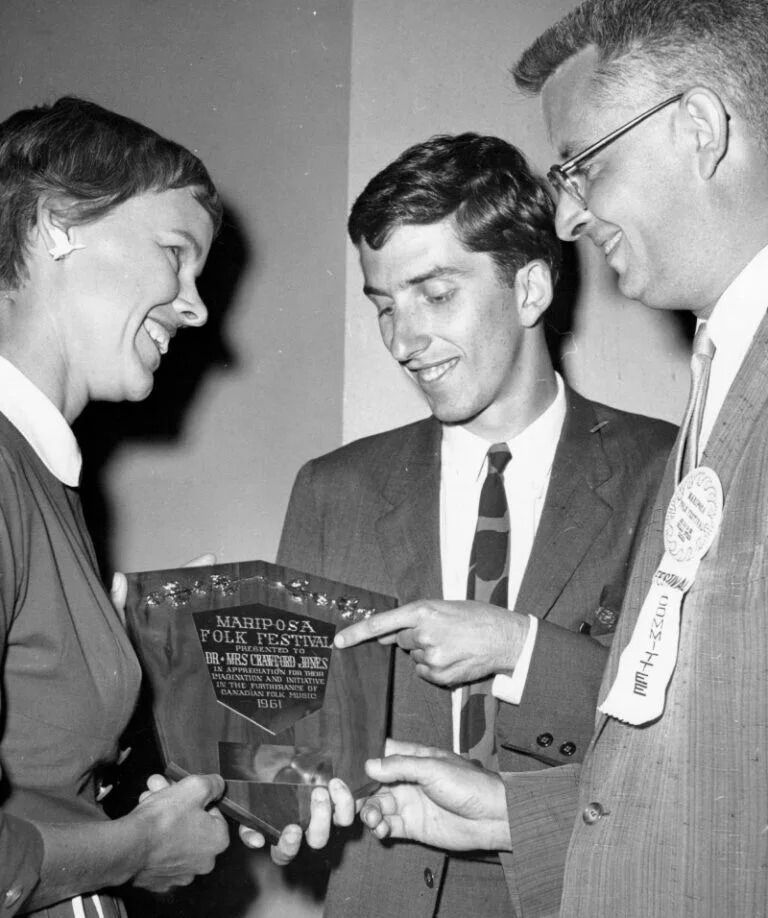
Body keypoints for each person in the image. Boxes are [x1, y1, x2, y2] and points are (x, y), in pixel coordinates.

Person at [356, 2, 768, 916]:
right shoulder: (722, 374)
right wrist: (510, 814)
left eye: (587, 164)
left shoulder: (662, 450)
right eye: (384, 306)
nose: (571, 215)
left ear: (700, 128)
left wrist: (519, 650)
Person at [276, 133, 674, 917]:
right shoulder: (331, 491)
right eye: (384, 306)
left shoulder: (665, 474)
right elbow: (292, 740)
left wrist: (518, 649)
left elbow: (690, 741)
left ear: (530, 290)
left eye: (434, 294)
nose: (402, 341)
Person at [0, 96, 338, 918]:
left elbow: (43, 778)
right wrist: (139, 849)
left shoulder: (42, 473)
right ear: (55, 226)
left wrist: (166, 693)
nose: (196, 306)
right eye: (174, 253)